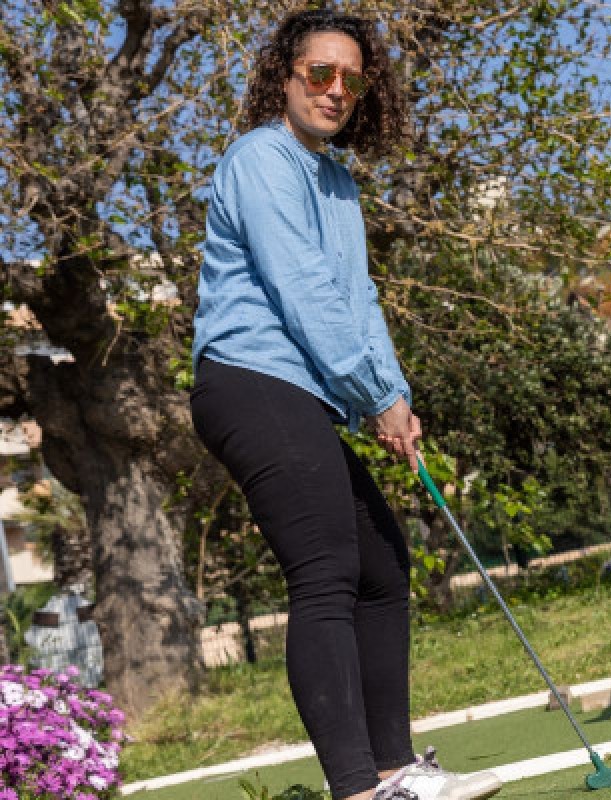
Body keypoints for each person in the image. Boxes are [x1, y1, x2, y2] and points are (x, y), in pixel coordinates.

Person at [189, 10, 501, 800]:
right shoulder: (262, 159)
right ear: (284, 76)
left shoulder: (334, 178)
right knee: (326, 573)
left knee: (382, 565)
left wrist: (390, 398)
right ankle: (359, 790)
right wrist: (372, 396)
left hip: (304, 392)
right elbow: (302, 292)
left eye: (351, 80)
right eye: (318, 74)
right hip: (250, 381)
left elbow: (354, 299)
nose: (335, 91)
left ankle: (396, 773)